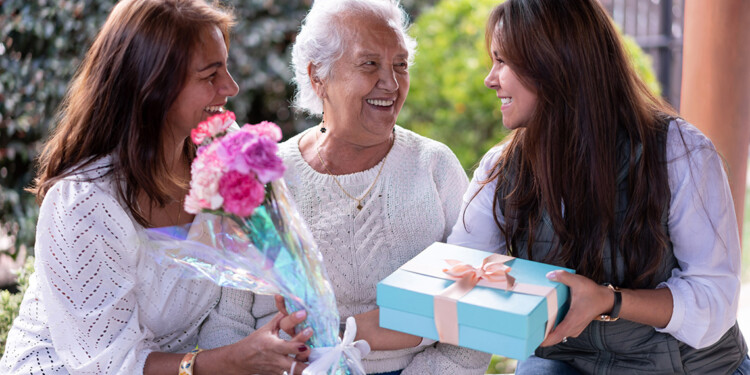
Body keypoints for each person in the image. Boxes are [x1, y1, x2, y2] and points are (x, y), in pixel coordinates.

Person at [0, 1, 313, 374]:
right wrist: (227, 361)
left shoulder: (223, 155)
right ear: (151, 87)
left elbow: (230, 310)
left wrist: (264, 349)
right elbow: (106, 365)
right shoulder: (84, 203)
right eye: (210, 74)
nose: (230, 86)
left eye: (225, 67)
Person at [447, 0, 750, 374]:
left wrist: (608, 301)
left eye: (503, 61)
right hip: (568, 361)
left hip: (686, 365)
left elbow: (714, 300)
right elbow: (461, 277)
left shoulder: (678, 152)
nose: (489, 79)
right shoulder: (502, 169)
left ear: (555, 65)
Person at [197, 0, 491, 374]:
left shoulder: (433, 166)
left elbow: (478, 310)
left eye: (400, 64)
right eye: (369, 64)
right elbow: (227, 323)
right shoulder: (266, 177)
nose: (392, 82)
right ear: (318, 76)